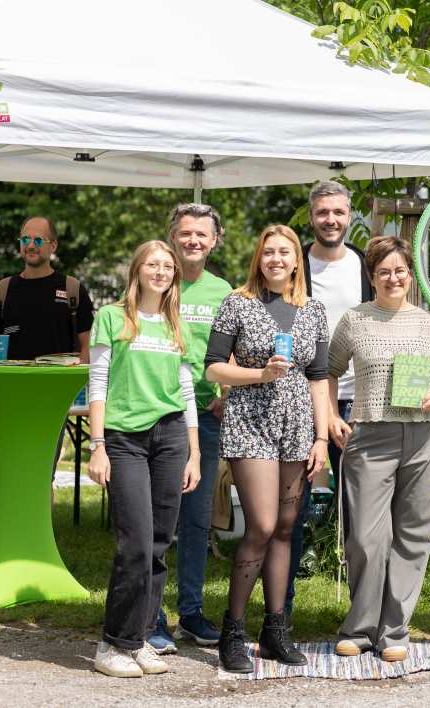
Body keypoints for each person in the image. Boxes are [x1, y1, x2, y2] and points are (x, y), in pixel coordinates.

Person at [205, 224, 331, 672]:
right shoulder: (237, 304)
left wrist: (321, 437)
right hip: (251, 421)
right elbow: (213, 370)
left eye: (285, 252)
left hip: (297, 425)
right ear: (259, 259)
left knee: (285, 526)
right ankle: (232, 630)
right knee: (258, 525)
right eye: (268, 252)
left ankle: (276, 629)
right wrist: (260, 375)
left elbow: (318, 377)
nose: (276, 259)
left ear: (298, 260)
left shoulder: (313, 310)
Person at [326, 236, 430, 662]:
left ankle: (394, 630)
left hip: (424, 436)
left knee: (414, 533)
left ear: (410, 276)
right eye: (384, 272)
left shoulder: (427, 322)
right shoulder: (355, 320)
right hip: (370, 435)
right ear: (372, 277)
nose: (393, 278)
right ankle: (360, 627)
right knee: (366, 536)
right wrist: (329, 416)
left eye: (400, 271)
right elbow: (329, 370)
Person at [86, 240, 202, 678]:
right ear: (137, 270)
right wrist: (97, 445)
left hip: (171, 437)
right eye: (153, 264)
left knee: (158, 544)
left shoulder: (177, 325)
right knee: (134, 543)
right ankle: (112, 644)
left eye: (168, 265)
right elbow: (97, 385)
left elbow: (187, 391)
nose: (162, 271)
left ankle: (138, 640)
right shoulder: (113, 317)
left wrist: (193, 452)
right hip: (124, 439)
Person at [286, 180, 373, 621]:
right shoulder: (295, 263)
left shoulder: (363, 264)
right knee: (292, 506)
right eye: (323, 213)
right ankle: (282, 610)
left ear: (349, 214)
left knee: (361, 509)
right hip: (301, 400)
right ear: (311, 216)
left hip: (358, 401)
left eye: (338, 212)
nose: (331, 220)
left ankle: (364, 609)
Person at [151, 204, 233, 652]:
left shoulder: (225, 291)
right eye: (185, 233)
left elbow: (241, 351)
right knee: (158, 518)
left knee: (198, 520)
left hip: (204, 415)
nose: (193, 241)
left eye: (202, 234)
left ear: (215, 240)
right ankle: (152, 616)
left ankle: (192, 613)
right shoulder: (156, 277)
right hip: (155, 415)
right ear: (172, 236)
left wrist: (227, 395)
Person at [0, 216, 94, 362]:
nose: (30, 246)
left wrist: (78, 381)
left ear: (53, 246)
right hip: (12, 383)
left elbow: (88, 344)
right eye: (25, 239)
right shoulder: (3, 290)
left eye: (38, 240)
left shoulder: (72, 289)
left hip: (59, 383)